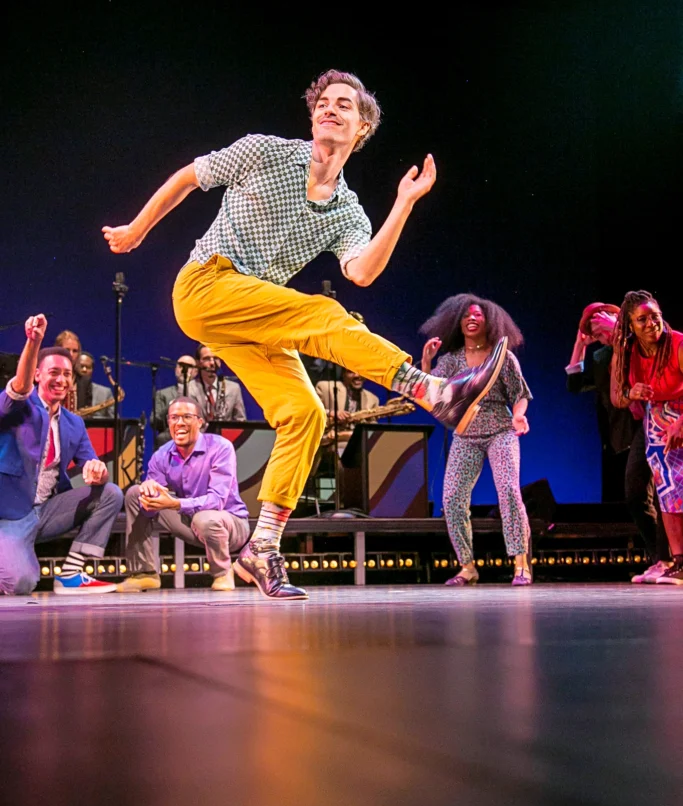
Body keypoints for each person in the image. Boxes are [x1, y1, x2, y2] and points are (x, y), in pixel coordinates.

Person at [103, 68, 506, 600]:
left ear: (362, 128)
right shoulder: (265, 151)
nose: (329, 109)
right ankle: (426, 387)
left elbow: (361, 272)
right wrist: (136, 229)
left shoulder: (347, 209)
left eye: (344, 104)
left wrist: (404, 203)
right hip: (206, 286)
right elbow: (187, 177)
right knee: (320, 312)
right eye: (323, 103)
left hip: (254, 318)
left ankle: (263, 547)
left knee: (305, 412)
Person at [0, 315, 123, 595]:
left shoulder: (73, 423)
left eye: (67, 374)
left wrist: (97, 471)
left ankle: (71, 574)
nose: (61, 379)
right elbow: (19, 387)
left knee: (110, 493)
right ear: (37, 375)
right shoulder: (18, 407)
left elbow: (92, 463)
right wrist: (34, 341)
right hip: (10, 515)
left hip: (47, 511)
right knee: (21, 583)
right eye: (53, 372)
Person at [422, 295, 532, 586]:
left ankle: (521, 564)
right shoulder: (451, 360)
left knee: (509, 490)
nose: (471, 319)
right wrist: (426, 361)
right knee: (452, 498)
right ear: (457, 323)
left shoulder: (502, 357)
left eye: (477, 315)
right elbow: (431, 394)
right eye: (466, 316)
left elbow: (520, 395)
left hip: (500, 430)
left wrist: (519, 416)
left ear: (489, 321)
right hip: (465, 434)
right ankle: (467, 567)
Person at [566, 301, 670, 582]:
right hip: (638, 427)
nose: (602, 338)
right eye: (596, 334)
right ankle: (660, 557)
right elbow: (576, 385)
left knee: (665, 491)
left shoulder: (642, 340)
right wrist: (580, 345)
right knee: (636, 494)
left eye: (604, 329)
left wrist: (617, 333)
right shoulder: (602, 358)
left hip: (664, 417)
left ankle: (668, 559)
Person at [120, 395, 250, 592]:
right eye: (174, 418)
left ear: (200, 422)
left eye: (186, 417)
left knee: (205, 518)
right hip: (190, 521)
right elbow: (152, 504)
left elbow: (216, 501)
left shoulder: (220, 447)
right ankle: (144, 573)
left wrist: (174, 504)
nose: (179, 423)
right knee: (135, 494)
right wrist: (149, 492)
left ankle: (223, 573)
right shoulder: (162, 455)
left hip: (230, 525)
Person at [611, 291, 683, 584]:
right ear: (630, 325)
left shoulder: (677, 343)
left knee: (678, 485)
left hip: (680, 411)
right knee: (668, 489)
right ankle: (676, 561)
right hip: (656, 417)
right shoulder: (625, 350)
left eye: (655, 315)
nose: (652, 323)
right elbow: (617, 397)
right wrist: (631, 393)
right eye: (642, 319)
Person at [315, 368, 380, 454]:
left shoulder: (373, 399)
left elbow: (372, 428)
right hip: (330, 442)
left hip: (358, 444)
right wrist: (331, 412)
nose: (357, 375)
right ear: (343, 374)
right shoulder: (326, 388)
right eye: (351, 371)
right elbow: (310, 410)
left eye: (361, 371)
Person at [189, 345, 247, 423]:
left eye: (216, 358)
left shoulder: (234, 388)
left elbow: (240, 421)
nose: (212, 363)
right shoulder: (189, 388)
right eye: (207, 359)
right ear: (198, 362)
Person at [153, 354, 198, 446]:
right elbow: (154, 422)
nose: (183, 369)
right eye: (180, 366)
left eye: (189, 367)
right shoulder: (163, 393)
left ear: (196, 372)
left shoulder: (201, 393)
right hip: (171, 437)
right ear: (175, 369)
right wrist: (170, 406)